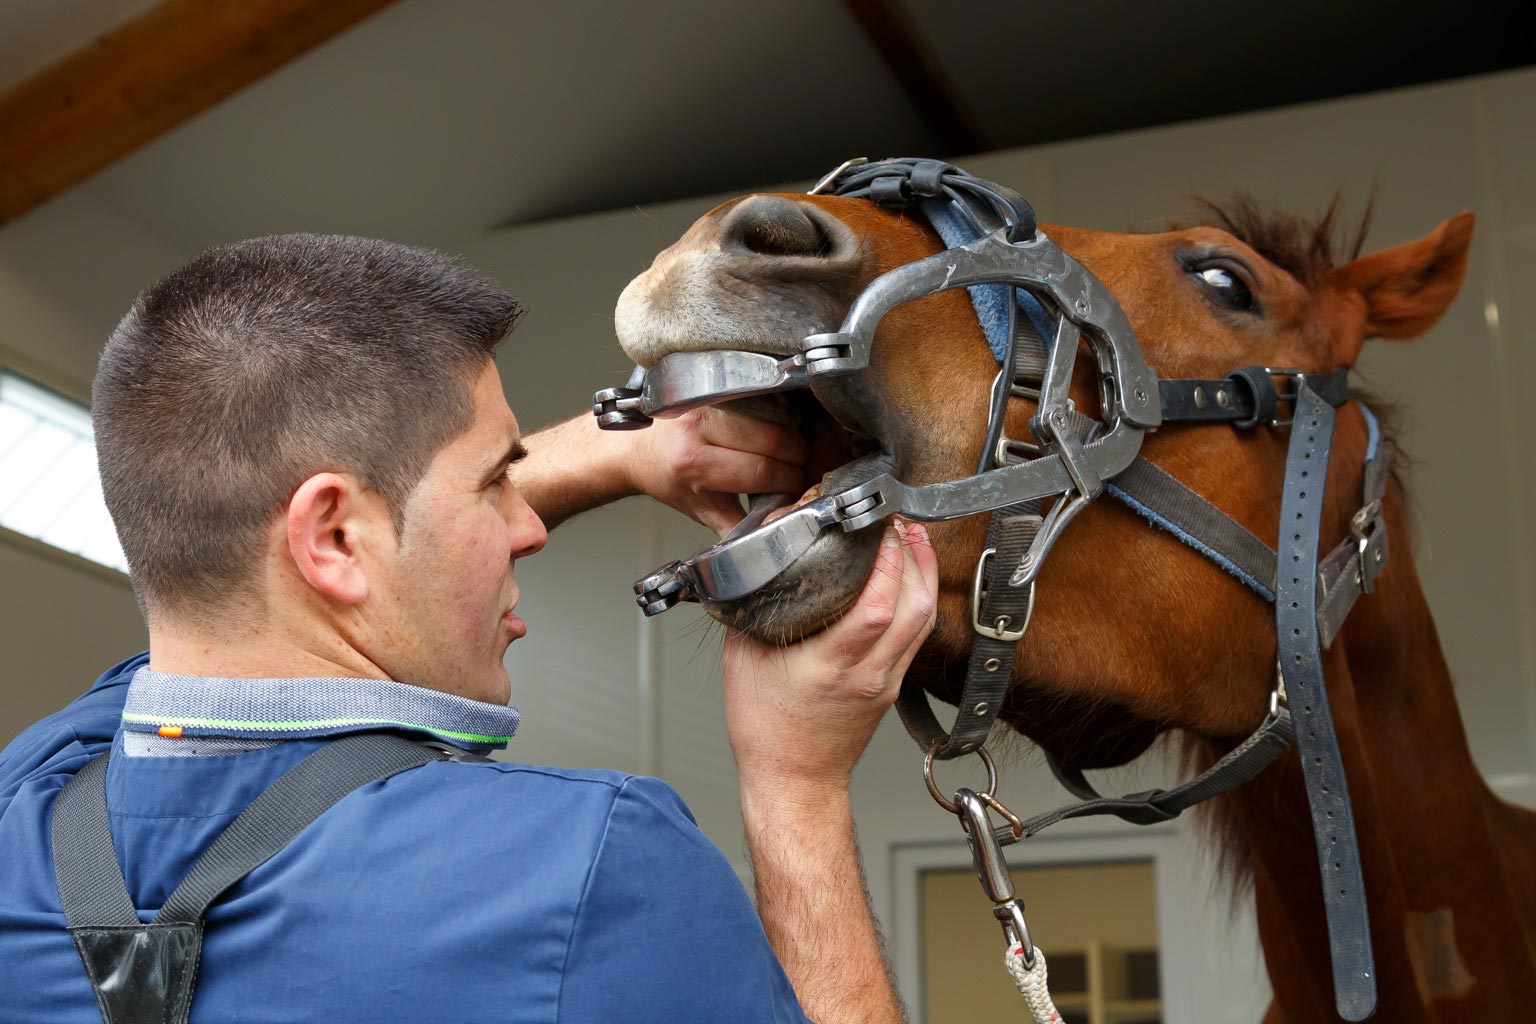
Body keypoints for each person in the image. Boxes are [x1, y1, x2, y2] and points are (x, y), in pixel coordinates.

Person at [0, 234, 936, 1023]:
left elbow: (235, 608)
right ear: (332, 536)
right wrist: (796, 788)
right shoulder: (594, 868)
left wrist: (619, 453)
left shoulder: (26, 803)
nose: (528, 525)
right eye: (495, 484)